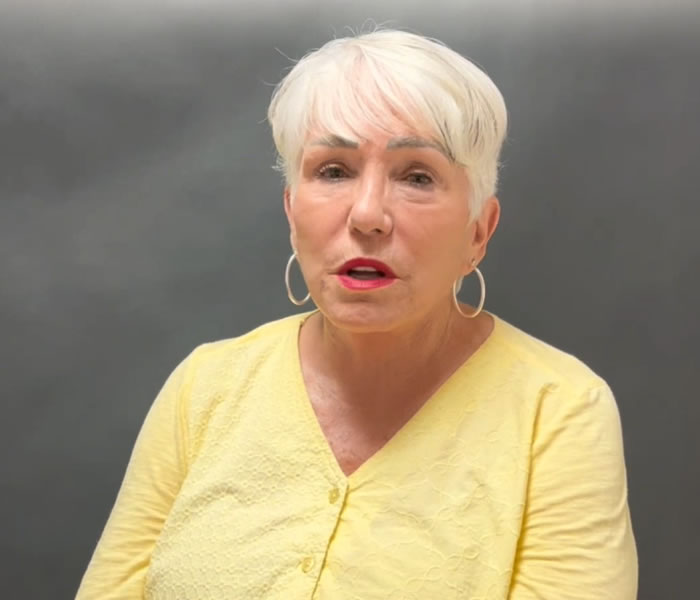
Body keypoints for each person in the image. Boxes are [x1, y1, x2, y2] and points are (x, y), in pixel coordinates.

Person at [76, 28, 638, 599]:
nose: (367, 215)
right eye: (334, 171)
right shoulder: (205, 386)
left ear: (478, 231)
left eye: (417, 176)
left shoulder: (559, 410)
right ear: (291, 212)